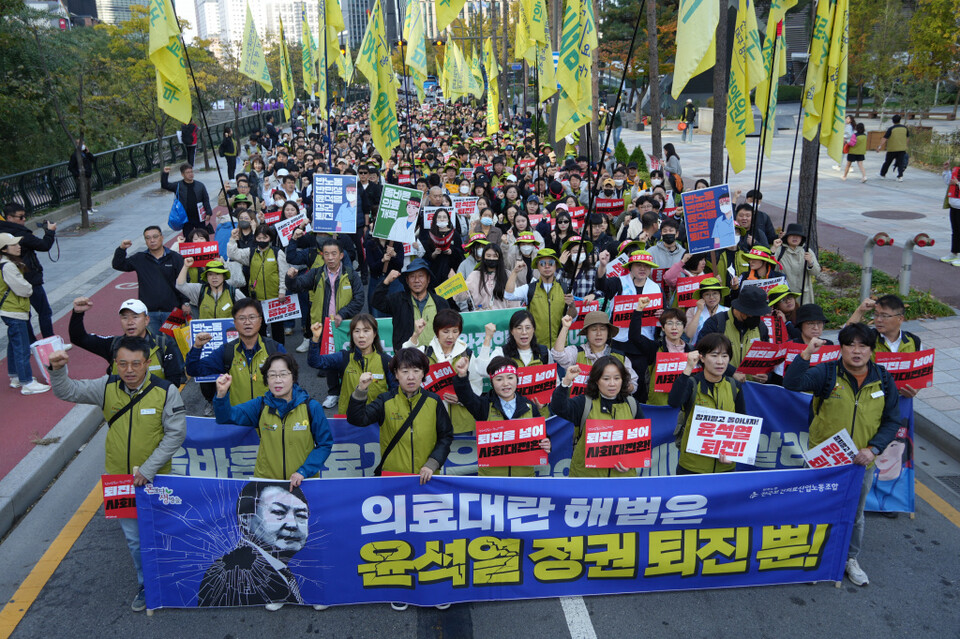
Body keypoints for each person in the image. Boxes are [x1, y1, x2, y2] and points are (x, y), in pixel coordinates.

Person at [48, 338, 186, 612]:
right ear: (115, 364)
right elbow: (67, 391)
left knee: (164, 533)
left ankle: (172, 581)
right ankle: (146, 584)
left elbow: (176, 433)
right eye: (122, 363)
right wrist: (57, 370)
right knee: (135, 541)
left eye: (136, 363)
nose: (129, 370)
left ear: (147, 363)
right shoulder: (106, 386)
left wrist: (148, 469)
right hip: (119, 481)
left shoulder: (166, 391)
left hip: (158, 480)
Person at [784, 324, 901, 586]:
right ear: (842, 348)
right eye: (851, 345)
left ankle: (849, 559)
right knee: (812, 509)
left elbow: (893, 420)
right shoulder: (826, 373)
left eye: (863, 346)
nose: (857, 351)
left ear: (872, 349)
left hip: (860, 464)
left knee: (854, 514)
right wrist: (806, 353)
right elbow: (792, 383)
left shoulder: (883, 378)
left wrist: (873, 450)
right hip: (823, 460)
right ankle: (809, 557)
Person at [197, 481, 317, 610]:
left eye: (301, 515)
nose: (293, 524)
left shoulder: (278, 568)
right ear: (245, 520)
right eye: (278, 512)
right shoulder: (233, 572)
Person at [348, 347, 453, 479]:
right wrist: (361, 390)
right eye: (404, 371)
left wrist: (432, 463)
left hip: (426, 478)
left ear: (423, 373)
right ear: (396, 374)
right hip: (393, 478)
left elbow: (446, 436)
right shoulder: (385, 400)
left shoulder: (434, 401)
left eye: (416, 371)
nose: (411, 377)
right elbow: (357, 419)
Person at [285, 238, 363, 405]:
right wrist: (290, 278)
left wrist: (343, 313)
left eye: (334, 253)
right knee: (329, 362)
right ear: (322, 255)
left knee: (350, 360)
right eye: (326, 254)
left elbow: (359, 299)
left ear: (341, 255)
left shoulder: (351, 274)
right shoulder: (317, 273)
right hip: (324, 327)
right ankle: (333, 393)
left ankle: (353, 392)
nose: (330, 257)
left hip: (345, 328)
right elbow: (297, 286)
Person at [452, 356, 551, 476]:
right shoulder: (484, 405)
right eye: (499, 379)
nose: (506, 383)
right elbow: (466, 397)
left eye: (510, 378)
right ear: (492, 382)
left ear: (517, 379)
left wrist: (547, 442)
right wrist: (462, 376)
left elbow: (542, 434)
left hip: (524, 479)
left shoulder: (529, 406)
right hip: (491, 481)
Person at [549, 356, 644, 477]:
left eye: (617, 378)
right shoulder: (584, 403)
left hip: (622, 479)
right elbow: (558, 407)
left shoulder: (632, 404)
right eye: (606, 378)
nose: (612, 384)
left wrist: (631, 462)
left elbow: (641, 440)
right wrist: (566, 382)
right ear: (596, 380)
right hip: (587, 479)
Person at [668, 333, 746, 474]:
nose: (720, 362)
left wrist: (733, 454)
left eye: (725, 356)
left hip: (725, 468)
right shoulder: (692, 383)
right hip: (692, 467)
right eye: (714, 355)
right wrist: (688, 368)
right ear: (702, 357)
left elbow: (741, 424)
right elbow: (674, 402)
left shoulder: (734, 386)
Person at [186, 298, 285, 405]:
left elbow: (291, 383)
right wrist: (197, 347)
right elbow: (193, 370)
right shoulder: (227, 351)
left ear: (260, 321)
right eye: (242, 318)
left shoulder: (274, 349)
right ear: (235, 323)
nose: (247, 322)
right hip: (238, 417)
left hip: (269, 416)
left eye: (252, 317)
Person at [69, 297, 185, 385]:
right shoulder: (113, 344)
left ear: (146, 320)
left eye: (135, 317)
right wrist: (78, 313)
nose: (130, 322)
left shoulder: (164, 345)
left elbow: (173, 383)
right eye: (124, 317)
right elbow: (79, 338)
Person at [403, 308, 480, 433]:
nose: (450, 336)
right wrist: (415, 335)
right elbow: (403, 358)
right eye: (445, 331)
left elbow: (476, 383)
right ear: (436, 331)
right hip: (431, 421)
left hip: (462, 423)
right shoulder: (425, 352)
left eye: (455, 331)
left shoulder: (467, 354)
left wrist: (462, 398)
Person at [308, 313, 396, 415]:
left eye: (366, 331)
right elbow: (316, 362)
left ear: (375, 333)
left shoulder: (386, 361)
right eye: (357, 331)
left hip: (377, 420)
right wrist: (315, 338)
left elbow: (395, 391)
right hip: (347, 420)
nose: (361, 335)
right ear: (352, 334)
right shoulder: (343, 357)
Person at [112, 226, 189, 336]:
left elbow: (184, 281)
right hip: (149, 313)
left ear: (162, 238)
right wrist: (122, 249)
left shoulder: (175, 258)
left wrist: (185, 302)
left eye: (155, 237)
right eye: (148, 238)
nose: (152, 240)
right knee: (153, 345)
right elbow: (118, 264)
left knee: (174, 344)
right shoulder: (140, 258)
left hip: (172, 311)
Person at [0, 233, 49, 394]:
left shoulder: (5, 264)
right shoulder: (8, 266)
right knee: (21, 346)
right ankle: (26, 382)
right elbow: (24, 289)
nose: (18, 246)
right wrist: (28, 287)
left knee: (14, 344)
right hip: (15, 310)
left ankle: (15, 375)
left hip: (9, 310)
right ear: (4, 249)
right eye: (13, 244)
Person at [0, 203, 57, 339]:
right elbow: (44, 245)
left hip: (12, 280)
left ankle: (31, 343)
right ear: (9, 217)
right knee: (44, 311)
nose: (24, 219)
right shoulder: (20, 233)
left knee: (25, 314)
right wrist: (50, 232)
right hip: (29, 277)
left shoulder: (3, 232)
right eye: (21, 217)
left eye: (25, 216)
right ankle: (49, 341)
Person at [373, 259, 455, 352]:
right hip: (406, 357)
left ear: (428, 279)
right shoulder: (398, 300)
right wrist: (386, 281)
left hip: (436, 357)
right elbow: (377, 302)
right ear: (407, 280)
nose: (416, 280)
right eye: (412, 276)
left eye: (421, 276)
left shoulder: (440, 302)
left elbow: (449, 328)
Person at [228, 224, 288, 344]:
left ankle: (279, 352)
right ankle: (262, 351)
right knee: (260, 328)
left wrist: (282, 291)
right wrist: (232, 240)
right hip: (257, 298)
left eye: (264, 238)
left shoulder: (277, 253)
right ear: (255, 238)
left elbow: (283, 274)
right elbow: (233, 254)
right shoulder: (250, 252)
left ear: (270, 238)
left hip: (276, 298)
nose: (261, 241)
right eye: (259, 238)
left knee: (277, 329)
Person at [551, 311, 639, 394]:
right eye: (593, 329)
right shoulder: (577, 352)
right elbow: (557, 355)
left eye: (603, 329)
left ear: (608, 333)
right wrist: (565, 328)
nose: (598, 333)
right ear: (587, 333)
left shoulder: (620, 357)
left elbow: (633, 386)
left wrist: (617, 384)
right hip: (581, 406)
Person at [504, 249, 573, 348]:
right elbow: (508, 295)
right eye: (542, 263)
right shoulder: (530, 288)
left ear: (556, 266)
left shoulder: (565, 288)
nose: (547, 266)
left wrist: (572, 305)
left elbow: (572, 318)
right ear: (537, 266)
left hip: (560, 347)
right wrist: (515, 272)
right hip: (537, 347)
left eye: (551, 263)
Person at [699, 286, 771, 376]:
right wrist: (732, 372)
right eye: (752, 314)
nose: (756, 318)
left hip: (751, 387)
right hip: (722, 385)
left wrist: (766, 374)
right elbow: (701, 353)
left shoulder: (761, 326)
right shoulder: (716, 323)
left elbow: (767, 358)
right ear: (741, 310)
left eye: (759, 314)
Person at [161, 164, 213, 238]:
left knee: (202, 236)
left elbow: (205, 200)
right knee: (188, 238)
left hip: (199, 216)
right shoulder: (178, 185)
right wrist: (165, 174)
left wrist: (208, 212)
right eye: (187, 172)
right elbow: (165, 185)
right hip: (186, 218)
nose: (190, 174)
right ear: (182, 174)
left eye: (191, 172)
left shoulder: (200, 185)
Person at [775, 224, 820, 304]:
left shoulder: (807, 251)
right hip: (784, 294)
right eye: (792, 235)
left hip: (804, 295)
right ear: (787, 237)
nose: (795, 238)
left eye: (798, 236)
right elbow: (771, 268)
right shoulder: (779, 251)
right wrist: (773, 249)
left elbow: (816, 272)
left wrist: (810, 262)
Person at [684, 277, 730, 344]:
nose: (711, 297)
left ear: (720, 295)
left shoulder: (727, 311)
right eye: (707, 294)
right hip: (698, 349)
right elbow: (689, 334)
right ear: (702, 297)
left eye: (715, 293)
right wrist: (699, 310)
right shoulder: (692, 311)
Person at [877, 114, 909, 181]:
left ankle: (883, 174)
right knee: (900, 163)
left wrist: (879, 146)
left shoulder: (891, 129)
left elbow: (885, 138)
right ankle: (900, 176)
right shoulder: (905, 128)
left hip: (892, 149)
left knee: (887, 162)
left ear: (893, 121)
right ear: (900, 120)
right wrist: (905, 145)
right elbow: (907, 138)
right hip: (901, 149)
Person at [67, 144, 97, 214]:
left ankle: (89, 207)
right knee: (84, 193)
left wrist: (88, 152)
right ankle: (84, 209)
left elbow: (93, 159)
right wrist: (77, 174)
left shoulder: (85, 154)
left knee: (89, 192)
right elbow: (70, 167)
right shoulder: (75, 155)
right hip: (81, 176)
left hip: (87, 175)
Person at [941, 161, 960, 265]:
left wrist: (957, 183)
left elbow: (956, 182)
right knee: (955, 231)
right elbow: (949, 182)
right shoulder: (957, 169)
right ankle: (954, 253)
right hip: (954, 205)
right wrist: (946, 170)